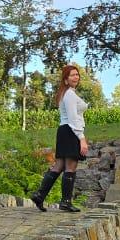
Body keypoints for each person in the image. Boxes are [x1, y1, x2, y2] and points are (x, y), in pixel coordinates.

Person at [30, 63, 89, 212]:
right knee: (71, 166)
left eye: (77, 74)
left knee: (59, 165)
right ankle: (66, 202)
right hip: (70, 131)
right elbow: (73, 118)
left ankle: (39, 195)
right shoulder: (69, 94)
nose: (76, 77)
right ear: (65, 79)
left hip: (65, 131)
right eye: (72, 75)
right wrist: (81, 138)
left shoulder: (68, 93)